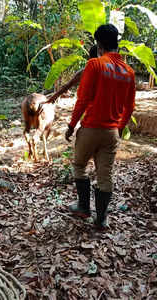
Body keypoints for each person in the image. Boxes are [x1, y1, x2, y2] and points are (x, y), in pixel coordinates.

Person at [65, 24, 136, 230]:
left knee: (79, 166)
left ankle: (84, 208)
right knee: (105, 175)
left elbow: (83, 99)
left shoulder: (95, 64)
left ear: (99, 44)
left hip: (91, 129)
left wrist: (71, 125)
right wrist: (119, 128)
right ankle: (101, 219)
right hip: (111, 132)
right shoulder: (129, 72)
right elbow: (129, 107)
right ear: (116, 43)